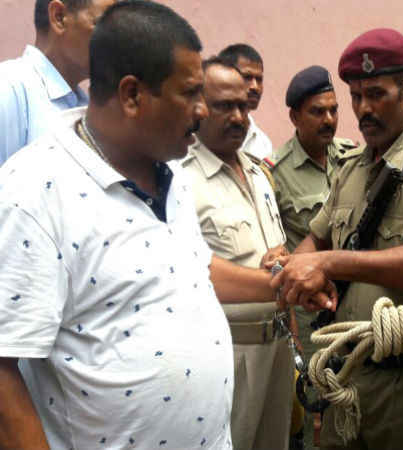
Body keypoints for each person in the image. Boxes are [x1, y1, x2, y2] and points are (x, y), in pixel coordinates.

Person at [0, 2, 244, 448]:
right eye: (190, 93)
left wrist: (275, 282)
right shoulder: (35, 191)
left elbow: (191, 272)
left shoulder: (172, 172)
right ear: (132, 96)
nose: (203, 110)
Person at [269, 28, 403, 450]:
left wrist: (329, 264)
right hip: (345, 375)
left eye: (376, 94)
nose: (364, 108)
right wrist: (291, 266)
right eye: (356, 96)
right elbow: (315, 239)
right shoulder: (350, 168)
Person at [182, 57, 305, 450]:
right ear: (198, 107)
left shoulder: (259, 173)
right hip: (227, 354)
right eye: (224, 106)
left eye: (242, 106)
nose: (238, 117)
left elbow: (273, 254)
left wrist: (293, 336)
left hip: (278, 348)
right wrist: (284, 281)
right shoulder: (180, 180)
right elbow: (189, 272)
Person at [270, 64, 356, 450]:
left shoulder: (354, 159)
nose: (329, 119)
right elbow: (277, 253)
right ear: (294, 117)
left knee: (349, 396)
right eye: (317, 112)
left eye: (334, 110)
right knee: (309, 399)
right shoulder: (275, 173)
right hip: (307, 315)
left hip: (351, 303)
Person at [0, 0, 115, 166]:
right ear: (59, 17)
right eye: (103, 25)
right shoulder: (9, 86)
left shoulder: (84, 105)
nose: (114, 41)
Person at [218, 43, 273, 160]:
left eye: (259, 79)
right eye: (247, 77)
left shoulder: (262, 143)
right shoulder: (198, 133)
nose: (255, 87)